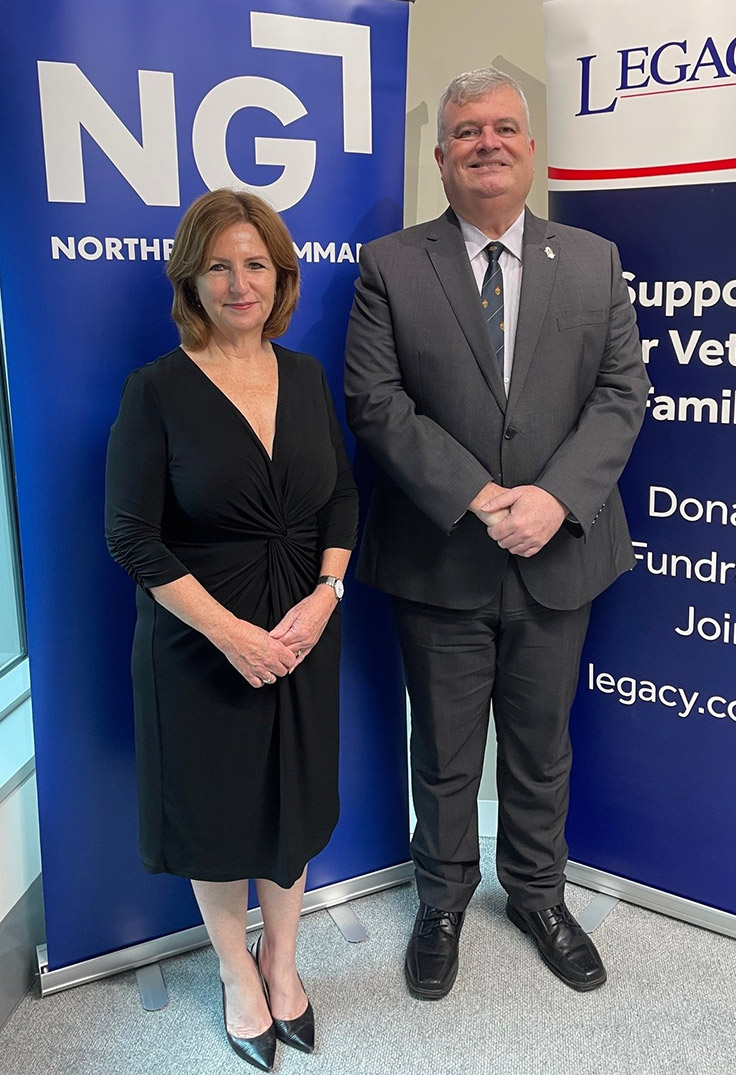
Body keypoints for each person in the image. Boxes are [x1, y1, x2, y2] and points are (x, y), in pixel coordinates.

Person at [344, 68, 649, 999]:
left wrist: (553, 500)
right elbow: (375, 399)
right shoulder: (391, 264)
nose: (487, 142)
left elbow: (620, 392)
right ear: (440, 156)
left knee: (541, 741)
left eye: (504, 127)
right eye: (466, 131)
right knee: (440, 749)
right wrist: (482, 495)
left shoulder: (593, 260)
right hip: (441, 556)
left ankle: (537, 893)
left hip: (560, 553)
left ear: (530, 148)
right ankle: (440, 900)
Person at [105, 189, 357, 1070]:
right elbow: (130, 533)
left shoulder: (308, 376)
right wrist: (233, 635)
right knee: (217, 817)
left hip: (302, 630)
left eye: (256, 263)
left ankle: (283, 963)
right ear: (192, 277)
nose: (239, 280)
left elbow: (341, 496)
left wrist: (326, 595)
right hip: (199, 644)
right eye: (220, 264)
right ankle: (234, 973)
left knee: (289, 803)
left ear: (281, 277)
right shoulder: (157, 390)